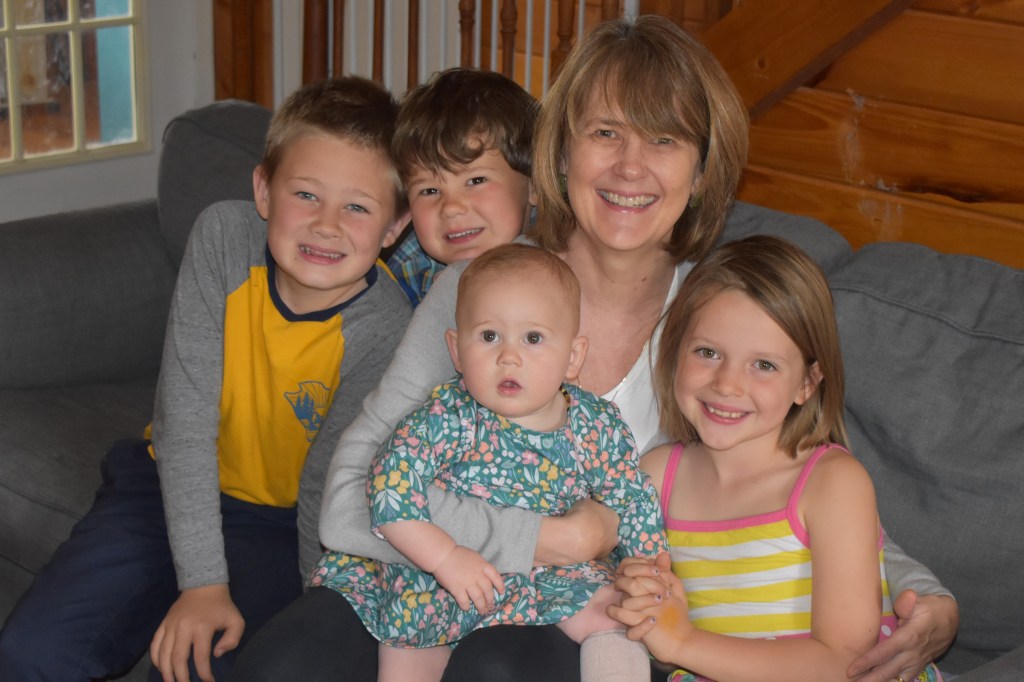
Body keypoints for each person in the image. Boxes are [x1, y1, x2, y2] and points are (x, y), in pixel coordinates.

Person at [230, 15, 957, 682]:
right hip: (417, 575)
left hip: (581, 615)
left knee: (498, 668)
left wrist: (927, 595)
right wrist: (547, 538)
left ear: (703, 171)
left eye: (664, 140)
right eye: (606, 132)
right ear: (562, 151)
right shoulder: (483, 288)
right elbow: (348, 504)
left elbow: (793, 487)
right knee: (283, 665)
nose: (629, 167)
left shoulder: (717, 325)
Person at [0, 76, 412, 682]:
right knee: (32, 651)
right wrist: (202, 583)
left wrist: (314, 609)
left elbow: (328, 483)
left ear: (394, 228)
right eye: (306, 194)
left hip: (279, 525)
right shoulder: (224, 237)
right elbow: (185, 422)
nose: (327, 225)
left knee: (198, 666)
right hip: (163, 482)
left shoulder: (386, 327)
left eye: (357, 207)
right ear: (264, 191)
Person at [310, 243, 666, 681]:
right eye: (489, 336)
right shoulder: (447, 417)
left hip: (550, 575)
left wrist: (650, 566)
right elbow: (389, 487)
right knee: (407, 650)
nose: (508, 356)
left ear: (573, 357)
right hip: (441, 582)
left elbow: (631, 496)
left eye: (533, 338)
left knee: (615, 615)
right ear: (457, 352)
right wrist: (443, 556)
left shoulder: (595, 423)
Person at [607, 236, 943, 682]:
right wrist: (651, 613)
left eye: (763, 365)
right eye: (708, 352)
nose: (727, 384)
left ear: (807, 383)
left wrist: (684, 642)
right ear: (674, 352)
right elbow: (662, 639)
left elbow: (845, 662)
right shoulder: (653, 476)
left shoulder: (832, 483)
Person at [385, 67, 537, 306]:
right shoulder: (406, 275)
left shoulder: (569, 257)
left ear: (535, 186)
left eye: (475, 181)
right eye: (430, 191)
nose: (451, 207)